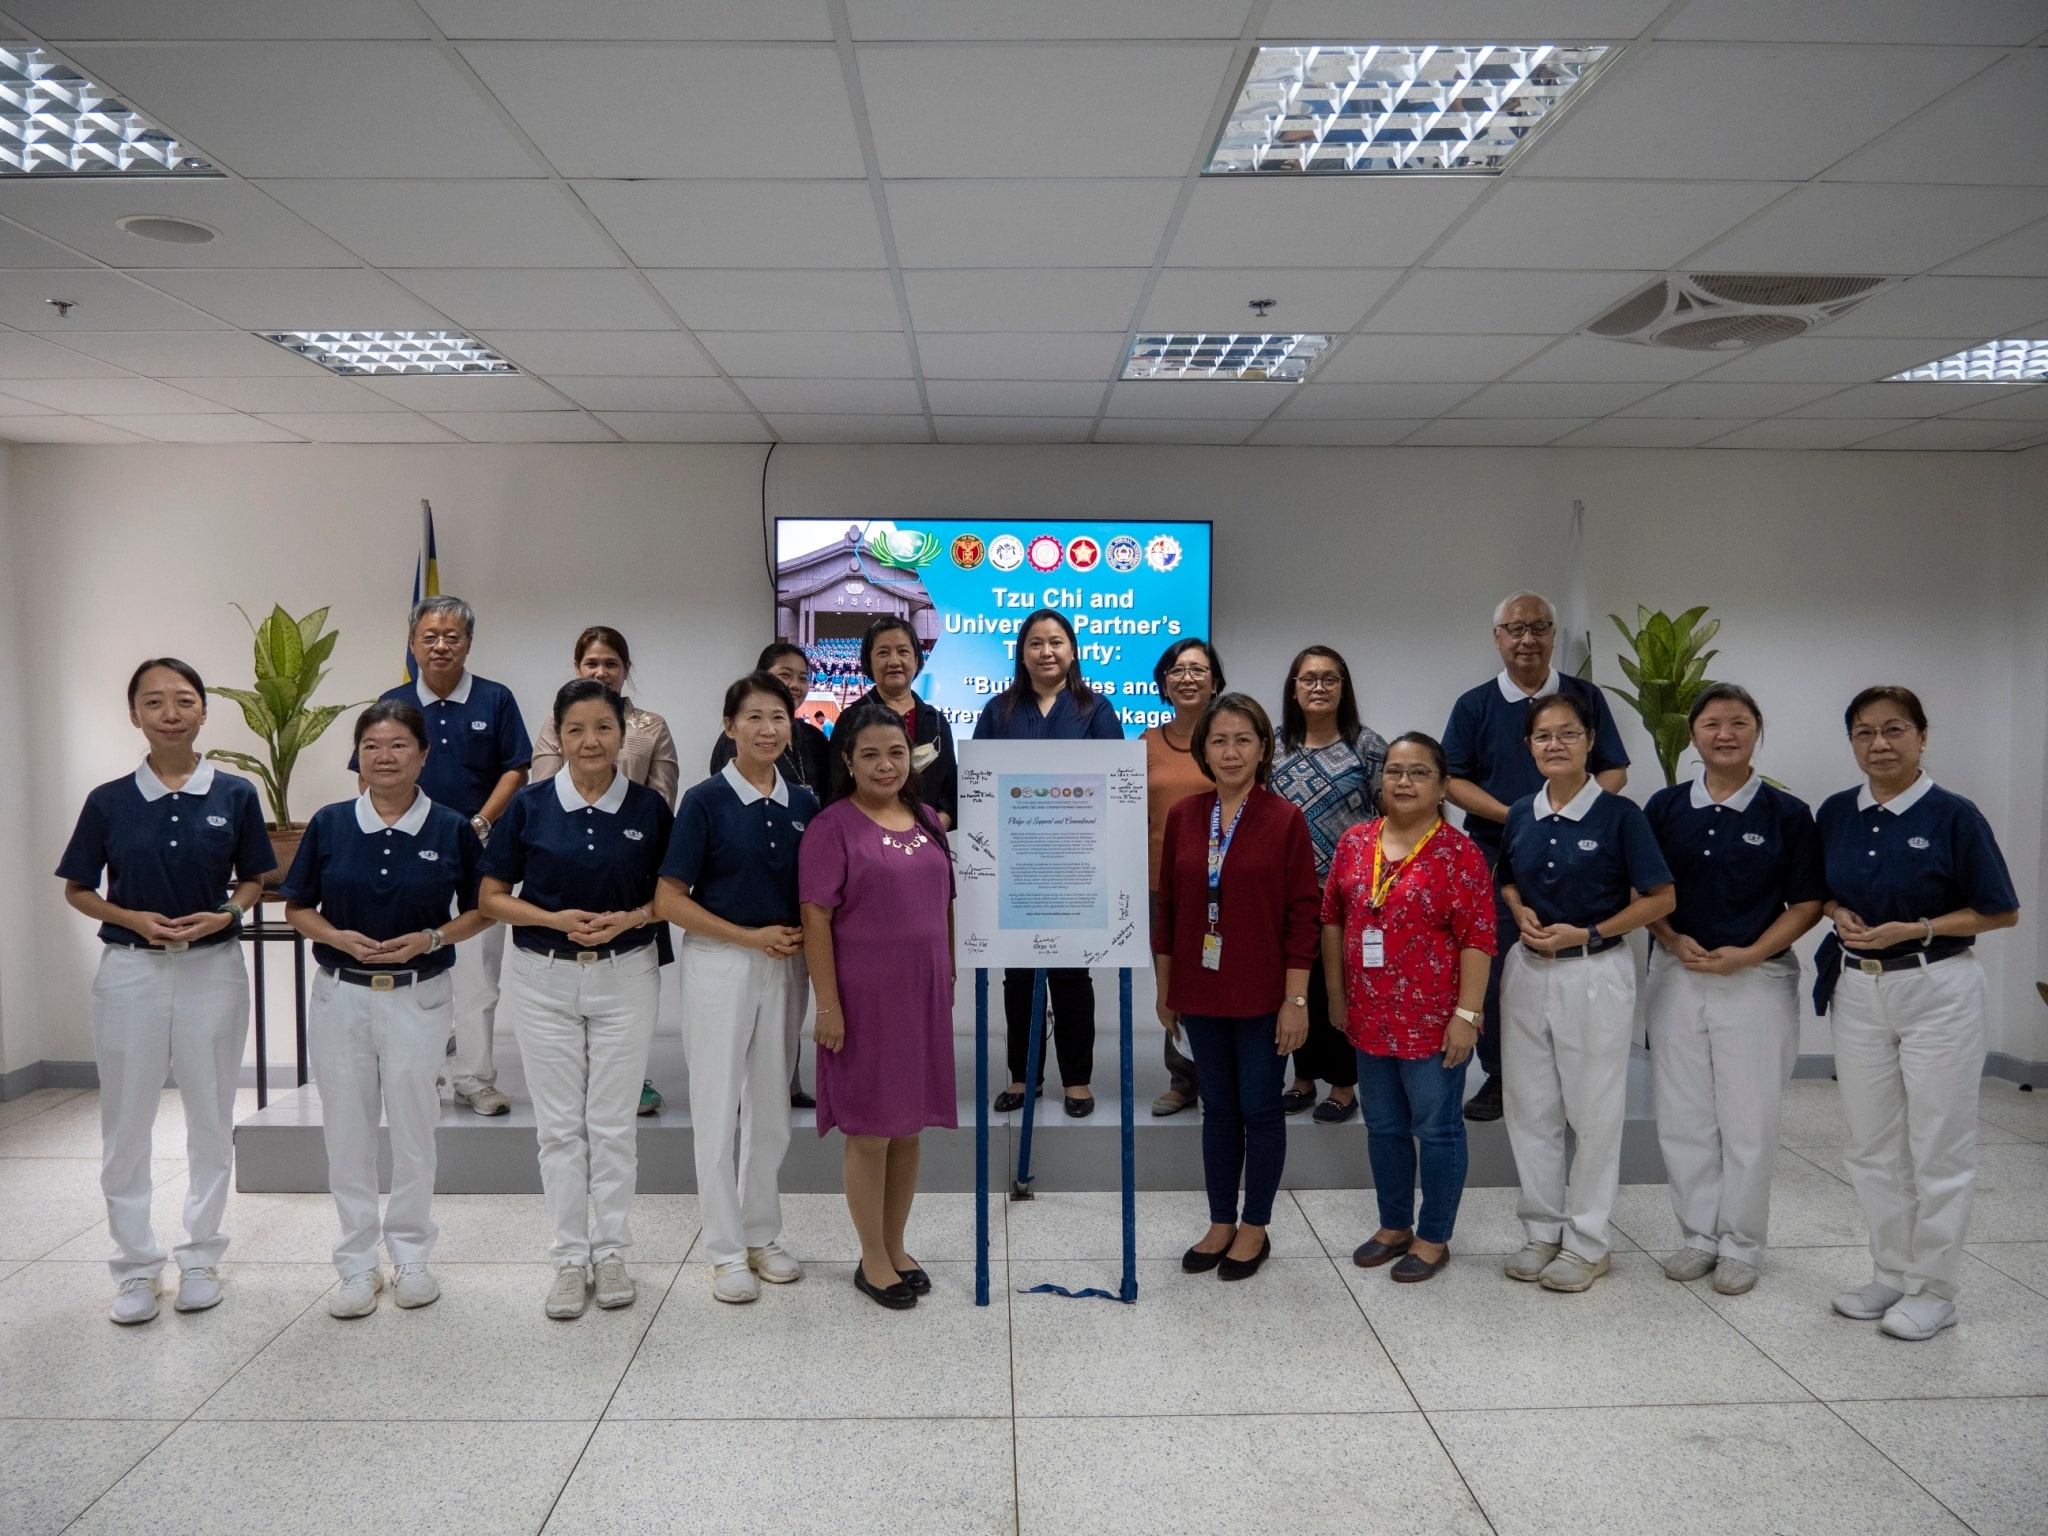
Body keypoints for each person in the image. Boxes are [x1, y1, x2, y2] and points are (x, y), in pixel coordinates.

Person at [58, 659, 275, 1326]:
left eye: (184, 700)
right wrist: (132, 919)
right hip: (130, 972)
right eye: (154, 702)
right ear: (135, 716)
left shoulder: (234, 794)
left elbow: (253, 881)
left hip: (213, 968)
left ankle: (202, 1255)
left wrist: (228, 915)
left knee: (211, 1114)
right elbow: (78, 888)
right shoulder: (108, 800)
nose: (171, 712)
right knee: (126, 1123)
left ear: (204, 712)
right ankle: (135, 1269)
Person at [1816, 687, 2019, 1341]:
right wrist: (1832, 911)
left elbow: (2000, 909)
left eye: (1895, 730)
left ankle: (1935, 1289)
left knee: (1938, 1143)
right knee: (1870, 1143)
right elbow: (1819, 890)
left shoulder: (1955, 816)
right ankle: (1890, 1271)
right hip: (1859, 991)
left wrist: (1920, 927)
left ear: (1922, 736)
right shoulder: (1835, 813)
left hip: (1938, 990)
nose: (1879, 744)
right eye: (1865, 733)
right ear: (1851, 742)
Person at [281, 701, 491, 1318]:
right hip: (340, 993)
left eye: (399, 744)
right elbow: (298, 906)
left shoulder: (451, 827)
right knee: (345, 1131)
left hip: (418, 996)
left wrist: (432, 938)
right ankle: (354, 1264)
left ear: (424, 755)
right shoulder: (330, 823)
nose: (385, 756)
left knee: (414, 1129)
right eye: (372, 745)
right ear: (358, 756)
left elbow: (484, 908)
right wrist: (337, 937)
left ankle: (412, 1255)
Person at [480, 680, 674, 1319]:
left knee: (613, 1124)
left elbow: (670, 898)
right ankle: (568, 1258)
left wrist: (628, 918)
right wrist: (559, 920)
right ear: (558, 738)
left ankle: (612, 1249)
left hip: (627, 974)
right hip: (543, 977)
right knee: (560, 1127)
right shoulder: (531, 806)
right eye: (575, 730)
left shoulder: (650, 809)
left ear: (624, 734)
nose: (590, 742)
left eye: (603, 728)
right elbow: (492, 898)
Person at [1643, 685, 1825, 1297]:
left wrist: (1750, 952)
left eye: (1738, 723)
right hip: (1677, 974)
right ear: (1692, 734)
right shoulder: (1664, 808)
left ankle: (1743, 1243)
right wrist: (1669, 939)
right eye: (1712, 723)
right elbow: (1644, 893)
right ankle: (1698, 1236)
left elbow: (1807, 902)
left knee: (1748, 1119)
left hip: (1756, 979)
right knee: (1684, 1114)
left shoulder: (1787, 813)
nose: (1725, 734)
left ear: (1757, 731)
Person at [1497, 693, 1673, 1293]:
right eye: (1543, 736)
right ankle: (1541, 1232)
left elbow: (1660, 899)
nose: (1555, 745)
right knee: (1531, 1109)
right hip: (1526, 971)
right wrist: (1519, 913)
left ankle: (1588, 1242)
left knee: (1594, 1113)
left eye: (1567, 734)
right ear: (1530, 746)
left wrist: (1591, 930)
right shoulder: (1521, 811)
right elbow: (1508, 884)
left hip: (1594, 971)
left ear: (1589, 740)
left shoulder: (1621, 816)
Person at [1443, 592, 1629, 1124]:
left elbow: (1614, 769)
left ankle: (1572, 1082)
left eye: (1540, 628)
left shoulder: (1586, 696)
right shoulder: (1474, 705)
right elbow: (1453, 780)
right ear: (1498, 638)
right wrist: (1521, 816)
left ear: (1554, 635)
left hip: (1580, 856)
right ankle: (1500, 1077)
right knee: (1497, 964)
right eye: (1516, 629)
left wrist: (1571, 811)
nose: (1528, 639)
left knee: (1573, 962)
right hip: (1495, 855)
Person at [659, 672, 816, 1303]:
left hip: (786, 967)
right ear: (729, 727)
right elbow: (669, 900)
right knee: (718, 1107)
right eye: (752, 717)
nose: (767, 729)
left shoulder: (804, 802)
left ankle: (762, 1235)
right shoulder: (703, 801)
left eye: (778, 717)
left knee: (772, 1111)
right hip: (721, 962)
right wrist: (748, 938)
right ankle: (724, 1250)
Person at [799, 701, 958, 1311]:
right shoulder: (832, 826)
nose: (885, 765)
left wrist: (947, 970)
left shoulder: (926, 819)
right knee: (870, 1131)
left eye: (895, 752)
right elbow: (816, 918)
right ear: (848, 761)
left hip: (921, 998)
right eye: (870, 755)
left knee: (909, 1128)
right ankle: (870, 1258)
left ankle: (896, 1245)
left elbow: (943, 902)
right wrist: (828, 1006)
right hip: (863, 1002)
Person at [1154, 694, 1319, 1283]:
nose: (1230, 752)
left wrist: (1296, 999)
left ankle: (1256, 1225)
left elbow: (1305, 915)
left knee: (1260, 1108)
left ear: (1263, 748)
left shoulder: (1284, 819)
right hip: (1199, 989)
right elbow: (1168, 906)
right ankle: (1221, 1219)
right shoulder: (1185, 816)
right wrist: (1165, 988)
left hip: (1264, 992)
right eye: (1219, 740)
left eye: (1243, 740)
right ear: (1204, 748)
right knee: (1218, 1109)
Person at [1322, 733, 1495, 1284]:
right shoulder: (1354, 842)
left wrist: (1467, 1017)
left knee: (1438, 1128)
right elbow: (1333, 919)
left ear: (1443, 786)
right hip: (1368, 1016)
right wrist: (1335, 996)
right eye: (1394, 771)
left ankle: (1433, 1235)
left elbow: (1478, 938)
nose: (1403, 782)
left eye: (1419, 772)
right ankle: (1393, 1225)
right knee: (1383, 1127)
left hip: (1435, 1023)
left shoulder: (1460, 853)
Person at [355, 596, 530, 1117]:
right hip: (408, 853)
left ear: (469, 643)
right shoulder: (394, 701)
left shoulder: (496, 699)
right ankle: (420, 1071)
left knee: (478, 976)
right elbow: (370, 772)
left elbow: (516, 770)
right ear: (412, 643)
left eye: (452, 636)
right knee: (416, 964)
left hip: (480, 853)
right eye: (429, 636)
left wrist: (480, 823)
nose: (440, 645)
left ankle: (475, 1079)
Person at [973, 608, 1125, 1117]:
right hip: (1017, 865)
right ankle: (1023, 1077)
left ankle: (1077, 1081)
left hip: (1075, 866)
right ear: (1021, 653)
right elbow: (979, 788)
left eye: (1056, 642)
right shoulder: (998, 711)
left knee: (1070, 976)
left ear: (1073, 651)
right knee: (1018, 976)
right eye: (1035, 643)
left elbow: (1114, 786)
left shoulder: (1095, 710)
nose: (1045, 652)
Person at [530, 625, 679, 1120]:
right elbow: (547, 790)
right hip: (567, 858)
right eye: (592, 663)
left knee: (630, 986)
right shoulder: (556, 722)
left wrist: (624, 828)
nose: (601, 671)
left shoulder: (651, 726)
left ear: (626, 670)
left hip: (631, 864)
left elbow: (662, 795)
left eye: (611, 663)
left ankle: (630, 1077)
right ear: (578, 668)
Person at [1271, 645, 1389, 1125]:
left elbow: (1391, 815)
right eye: (1308, 679)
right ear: (1293, 690)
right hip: (1289, 891)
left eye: (1329, 679)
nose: (1318, 687)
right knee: (1297, 986)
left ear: (1343, 688)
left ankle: (1344, 1084)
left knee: (1341, 988)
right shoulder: (1274, 745)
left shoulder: (1368, 746)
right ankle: (1303, 1078)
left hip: (1350, 891)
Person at [709, 640, 829, 1108]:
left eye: (802, 677)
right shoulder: (733, 744)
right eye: (784, 674)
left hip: (800, 877)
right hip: (747, 893)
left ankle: (787, 1083)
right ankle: (744, 1092)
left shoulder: (816, 738)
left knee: (788, 1004)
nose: (795, 684)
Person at [1141, 637, 1226, 1117]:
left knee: (1219, 977)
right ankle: (1183, 1077)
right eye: (1177, 669)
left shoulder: (1231, 738)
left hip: (1223, 882)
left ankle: (1220, 1077)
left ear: (1215, 681)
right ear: (1164, 683)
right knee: (1173, 983)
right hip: (1162, 885)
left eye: (1198, 669)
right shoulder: (1148, 744)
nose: (1187, 677)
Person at [840, 615, 957, 827]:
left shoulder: (937, 722)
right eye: (883, 653)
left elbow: (950, 793)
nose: (894, 661)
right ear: (869, 661)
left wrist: (935, 828)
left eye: (903, 651)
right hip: (867, 839)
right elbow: (839, 788)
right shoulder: (851, 720)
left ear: (916, 659)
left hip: (930, 838)